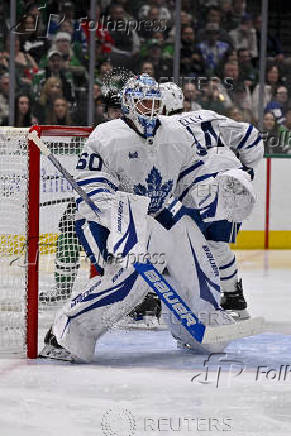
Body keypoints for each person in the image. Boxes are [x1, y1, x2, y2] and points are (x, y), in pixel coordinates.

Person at [40, 74, 234, 361]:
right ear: (129, 104)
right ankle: (66, 333)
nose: (151, 110)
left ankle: (197, 328)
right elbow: (92, 190)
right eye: (144, 103)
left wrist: (214, 190)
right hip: (107, 220)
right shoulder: (106, 136)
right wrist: (122, 223)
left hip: (159, 214)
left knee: (197, 260)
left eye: (155, 103)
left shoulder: (176, 134)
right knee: (129, 282)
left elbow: (192, 177)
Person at [159, 82, 264, 320]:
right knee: (217, 244)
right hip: (235, 183)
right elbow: (250, 136)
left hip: (200, 191)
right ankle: (234, 298)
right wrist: (247, 170)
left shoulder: (162, 129)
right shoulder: (207, 115)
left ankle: (153, 299)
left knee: (168, 242)